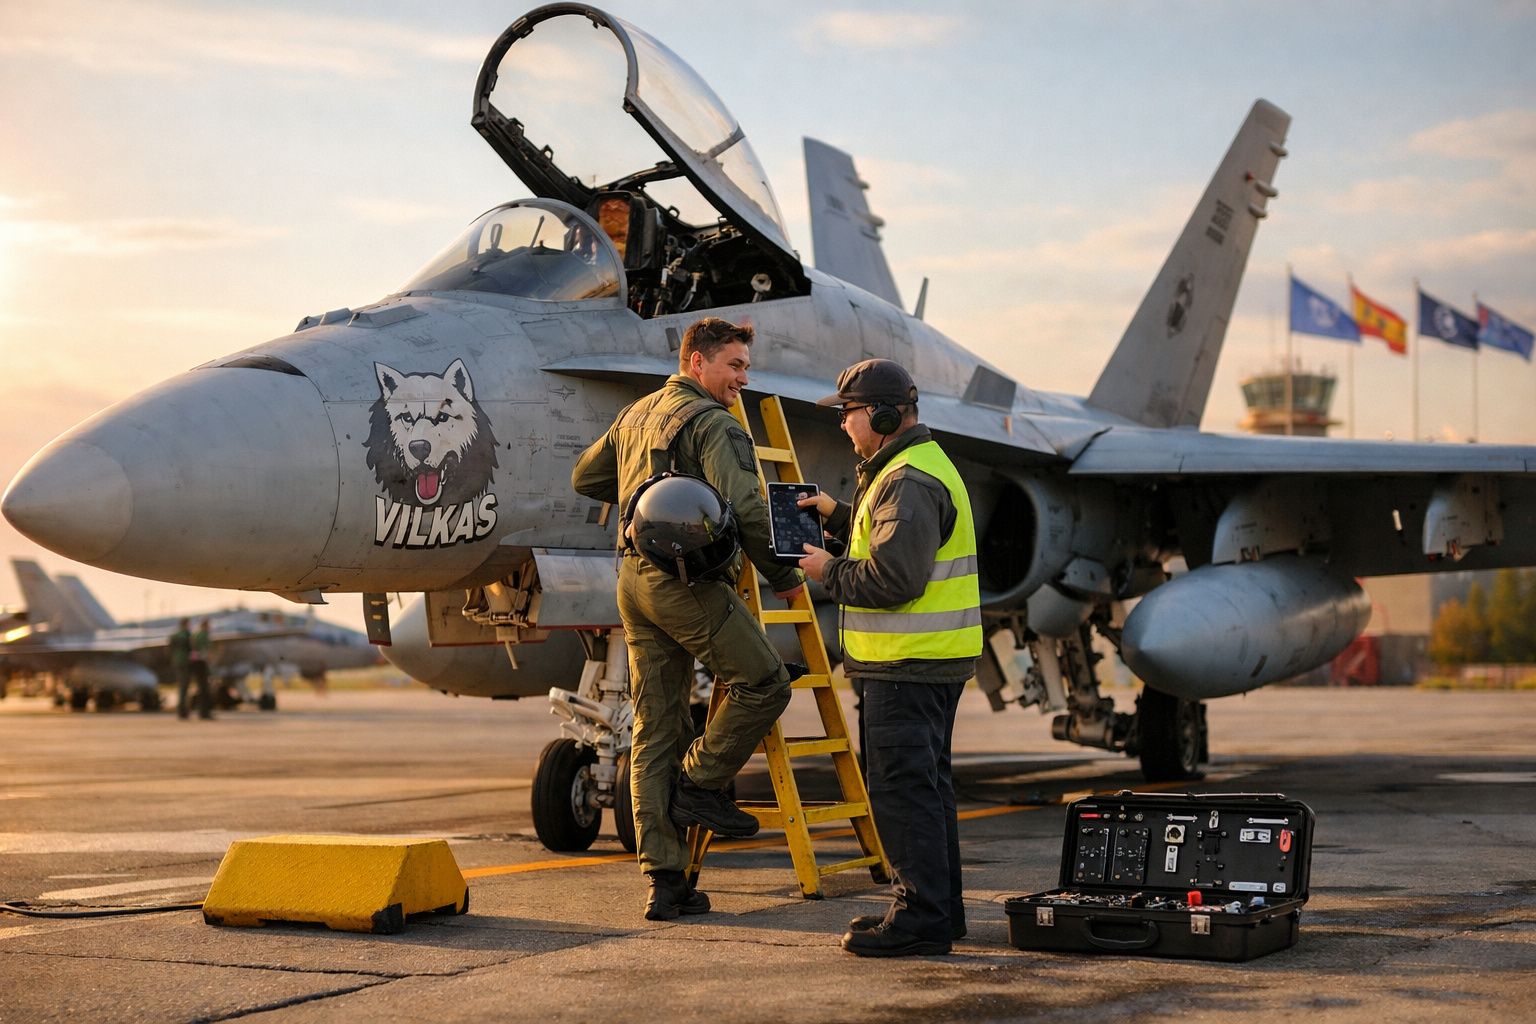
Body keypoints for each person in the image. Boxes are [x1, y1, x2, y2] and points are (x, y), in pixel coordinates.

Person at [572, 316, 805, 922]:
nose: (742, 378)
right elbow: (749, 508)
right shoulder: (713, 423)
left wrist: (646, 498)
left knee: (657, 725)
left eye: (745, 367)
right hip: (685, 583)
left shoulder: (635, 414)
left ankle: (665, 883)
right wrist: (784, 577)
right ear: (697, 362)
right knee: (766, 683)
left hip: (632, 580)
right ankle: (699, 786)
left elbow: (585, 476)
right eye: (734, 365)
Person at [796, 358, 982, 958]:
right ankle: (941, 912)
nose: (843, 424)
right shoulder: (910, 469)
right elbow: (890, 542)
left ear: (880, 415)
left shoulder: (908, 479)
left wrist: (827, 571)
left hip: (907, 666)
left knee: (903, 793)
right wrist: (835, 515)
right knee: (927, 791)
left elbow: (894, 579)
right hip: (924, 662)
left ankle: (919, 920)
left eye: (848, 413)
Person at [188, 618, 214, 720]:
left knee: (201, 687)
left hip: (195, 662)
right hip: (201, 662)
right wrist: (209, 658)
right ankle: (204, 713)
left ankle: (201, 711)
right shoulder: (203, 635)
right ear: (205, 625)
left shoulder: (196, 634)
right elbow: (205, 650)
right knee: (204, 688)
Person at [170, 618, 193, 719]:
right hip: (185, 662)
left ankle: (181, 710)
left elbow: (170, 649)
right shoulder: (187, 634)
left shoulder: (174, 635)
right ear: (186, 624)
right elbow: (191, 649)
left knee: (181, 686)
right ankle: (183, 711)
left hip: (176, 662)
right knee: (185, 686)